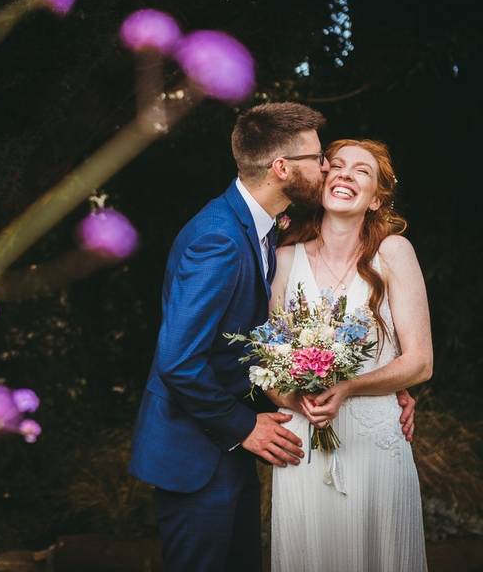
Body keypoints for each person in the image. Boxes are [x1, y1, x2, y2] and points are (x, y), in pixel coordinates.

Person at [130, 103, 415, 571]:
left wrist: (382, 381)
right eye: (319, 157)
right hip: (197, 452)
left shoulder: (264, 232)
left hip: (230, 447)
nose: (326, 167)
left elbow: (258, 339)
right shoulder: (218, 238)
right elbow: (179, 360)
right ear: (282, 168)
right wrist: (243, 427)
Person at [269, 138, 430, 571]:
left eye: (361, 170)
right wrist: (295, 398)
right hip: (304, 441)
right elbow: (265, 361)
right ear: (321, 180)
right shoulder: (284, 260)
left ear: (376, 198)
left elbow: (419, 361)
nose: (344, 173)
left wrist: (349, 386)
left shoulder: (394, 253)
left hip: (376, 444)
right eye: (336, 165)